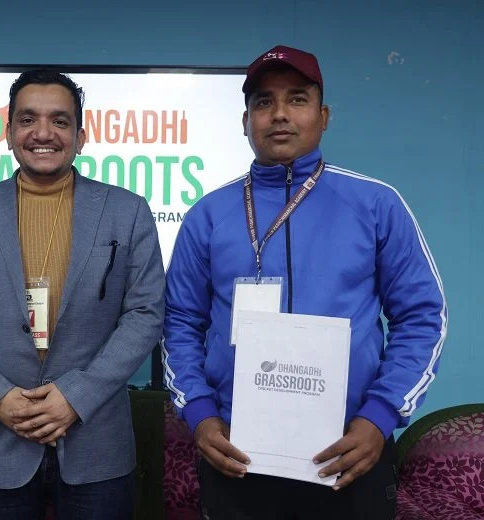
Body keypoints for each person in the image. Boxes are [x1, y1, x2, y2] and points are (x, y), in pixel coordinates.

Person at [163, 45, 446, 519]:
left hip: (351, 453)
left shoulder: (376, 204)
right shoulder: (207, 216)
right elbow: (179, 324)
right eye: (263, 102)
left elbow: (423, 318)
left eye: (297, 99)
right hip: (237, 455)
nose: (279, 114)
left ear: (324, 116)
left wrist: (379, 417)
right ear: (245, 121)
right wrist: (200, 415)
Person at [0, 69, 164, 519]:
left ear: (81, 136)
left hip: (96, 443)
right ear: (9, 133)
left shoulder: (128, 211)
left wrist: (77, 397)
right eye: (28, 119)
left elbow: (146, 313)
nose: (43, 133)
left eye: (59, 120)